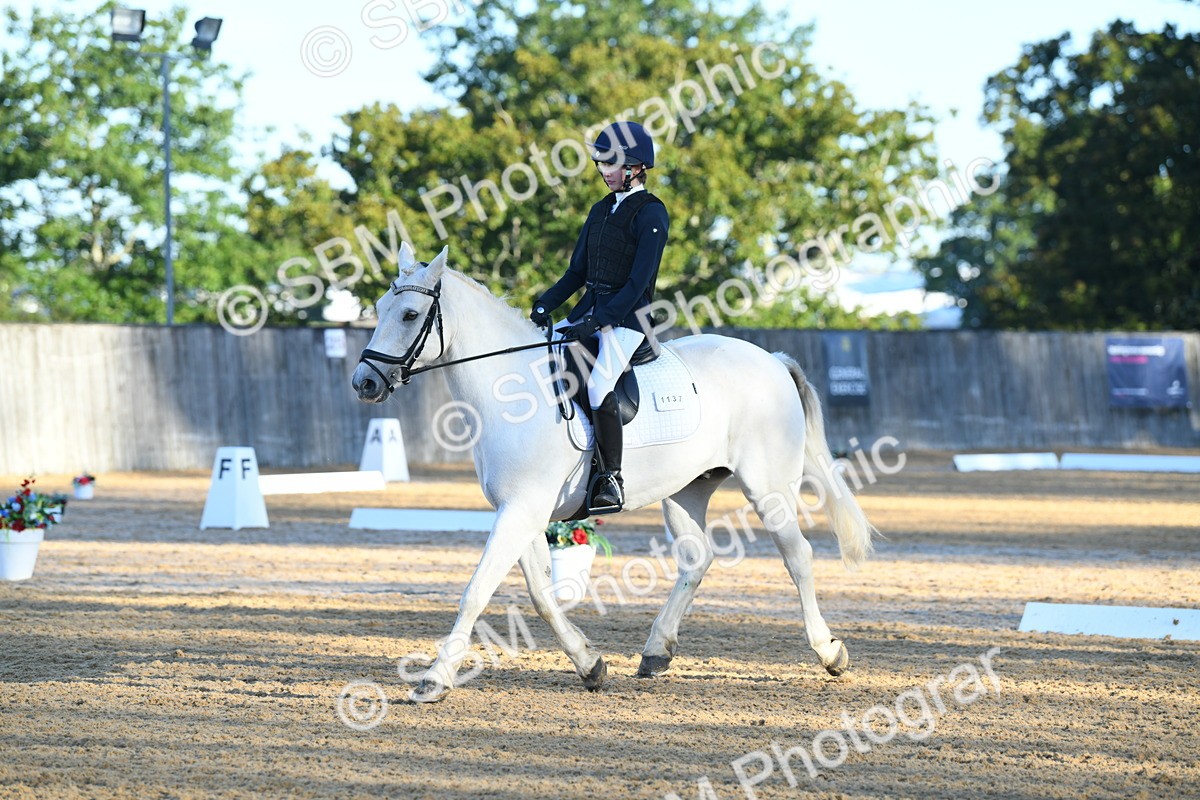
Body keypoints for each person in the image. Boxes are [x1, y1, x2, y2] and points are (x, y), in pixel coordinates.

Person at [530, 120, 670, 511]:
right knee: (545, 357)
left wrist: (601, 319)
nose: (603, 172)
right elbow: (577, 272)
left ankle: (610, 478)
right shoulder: (600, 209)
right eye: (601, 164)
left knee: (597, 386)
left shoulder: (652, 214)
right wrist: (546, 303)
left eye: (610, 164)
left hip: (629, 319)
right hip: (590, 309)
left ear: (635, 167)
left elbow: (638, 284)